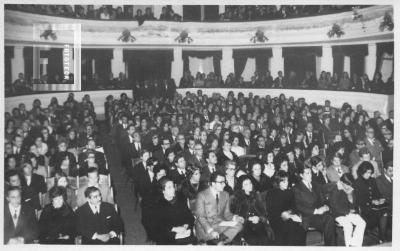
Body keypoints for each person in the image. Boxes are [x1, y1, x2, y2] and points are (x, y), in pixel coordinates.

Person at [194, 171, 244, 244]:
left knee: (239, 225)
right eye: (221, 182)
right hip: (205, 227)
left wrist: (235, 218)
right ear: (213, 183)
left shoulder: (225, 194)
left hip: (220, 224)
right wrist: (211, 231)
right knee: (225, 239)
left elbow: (227, 213)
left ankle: (217, 241)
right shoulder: (201, 195)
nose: (224, 185)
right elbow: (201, 217)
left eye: (224, 182)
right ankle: (219, 241)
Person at [293, 165, 336, 246]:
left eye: (310, 173)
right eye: (307, 173)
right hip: (308, 216)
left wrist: (326, 206)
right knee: (328, 222)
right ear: (301, 175)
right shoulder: (297, 188)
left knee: (329, 218)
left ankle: (331, 246)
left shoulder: (316, 185)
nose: (310, 175)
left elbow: (323, 199)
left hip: (319, 214)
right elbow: (298, 206)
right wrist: (315, 211)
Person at [230, 175, 274, 245]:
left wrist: (259, 218)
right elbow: (231, 215)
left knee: (264, 238)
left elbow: (264, 213)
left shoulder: (256, 195)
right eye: (246, 184)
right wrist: (239, 218)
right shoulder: (235, 198)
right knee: (253, 240)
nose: (250, 185)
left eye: (250, 183)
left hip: (258, 223)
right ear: (242, 187)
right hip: (244, 225)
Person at [266, 171, 306, 245]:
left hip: (289, 217)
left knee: (301, 230)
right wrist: (285, 214)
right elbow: (272, 211)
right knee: (290, 227)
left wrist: (291, 213)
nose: (287, 183)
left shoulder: (289, 192)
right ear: (278, 182)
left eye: (287, 181)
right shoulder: (271, 193)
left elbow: (294, 207)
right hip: (276, 219)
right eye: (283, 181)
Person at [153, 177, 196, 245]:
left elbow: (189, 216)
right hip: (169, 235)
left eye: (173, 186)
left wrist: (185, 225)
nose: (173, 189)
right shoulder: (158, 205)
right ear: (163, 191)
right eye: (169, 187)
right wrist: (174, 230)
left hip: (184, 231)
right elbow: (159, 226)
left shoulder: (181, 199)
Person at [354, 161, 388, 243]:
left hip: (375, 206)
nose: (369, 175)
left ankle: (382, 238)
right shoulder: (357, 182)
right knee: (382, 213)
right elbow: (358, 199)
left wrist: (380, 199)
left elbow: (377, 193)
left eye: (370, 172)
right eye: (368, 172)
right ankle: (381, 238)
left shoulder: (372, 180)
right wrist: (372, 201)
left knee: (385, 212)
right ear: (362, 171)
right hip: (364, 208)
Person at [328, 174, 366, 247]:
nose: (349, 187)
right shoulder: (335, 189)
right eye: (347, 185)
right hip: (338, 214)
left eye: (350, 185)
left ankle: (355, 245)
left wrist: (350, 196)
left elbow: (353, 205)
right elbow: (335, 206)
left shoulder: (350, 188)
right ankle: (348, 246)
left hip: (348, 212)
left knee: (362, 223)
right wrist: (348, 211)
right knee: (348, 226)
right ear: (342, 182)